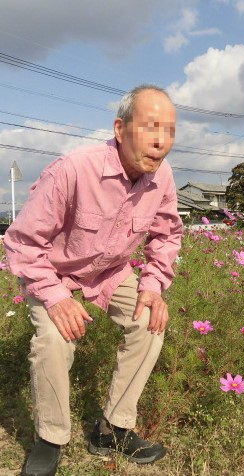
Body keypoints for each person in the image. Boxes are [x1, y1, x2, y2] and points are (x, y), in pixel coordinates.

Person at [4, 84, 183, 476]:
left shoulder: (162, 176)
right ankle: (50, 439)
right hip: (52, 271)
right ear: (120, 129)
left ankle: (113, 429)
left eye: (170, 131)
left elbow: (168, 235)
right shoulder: (73, 169)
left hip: (109, 272)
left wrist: (153, 285)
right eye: (151, 127)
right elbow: (21, 242)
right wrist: (53, 296)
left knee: (149, 322)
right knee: (53, 339)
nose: (161, 141)